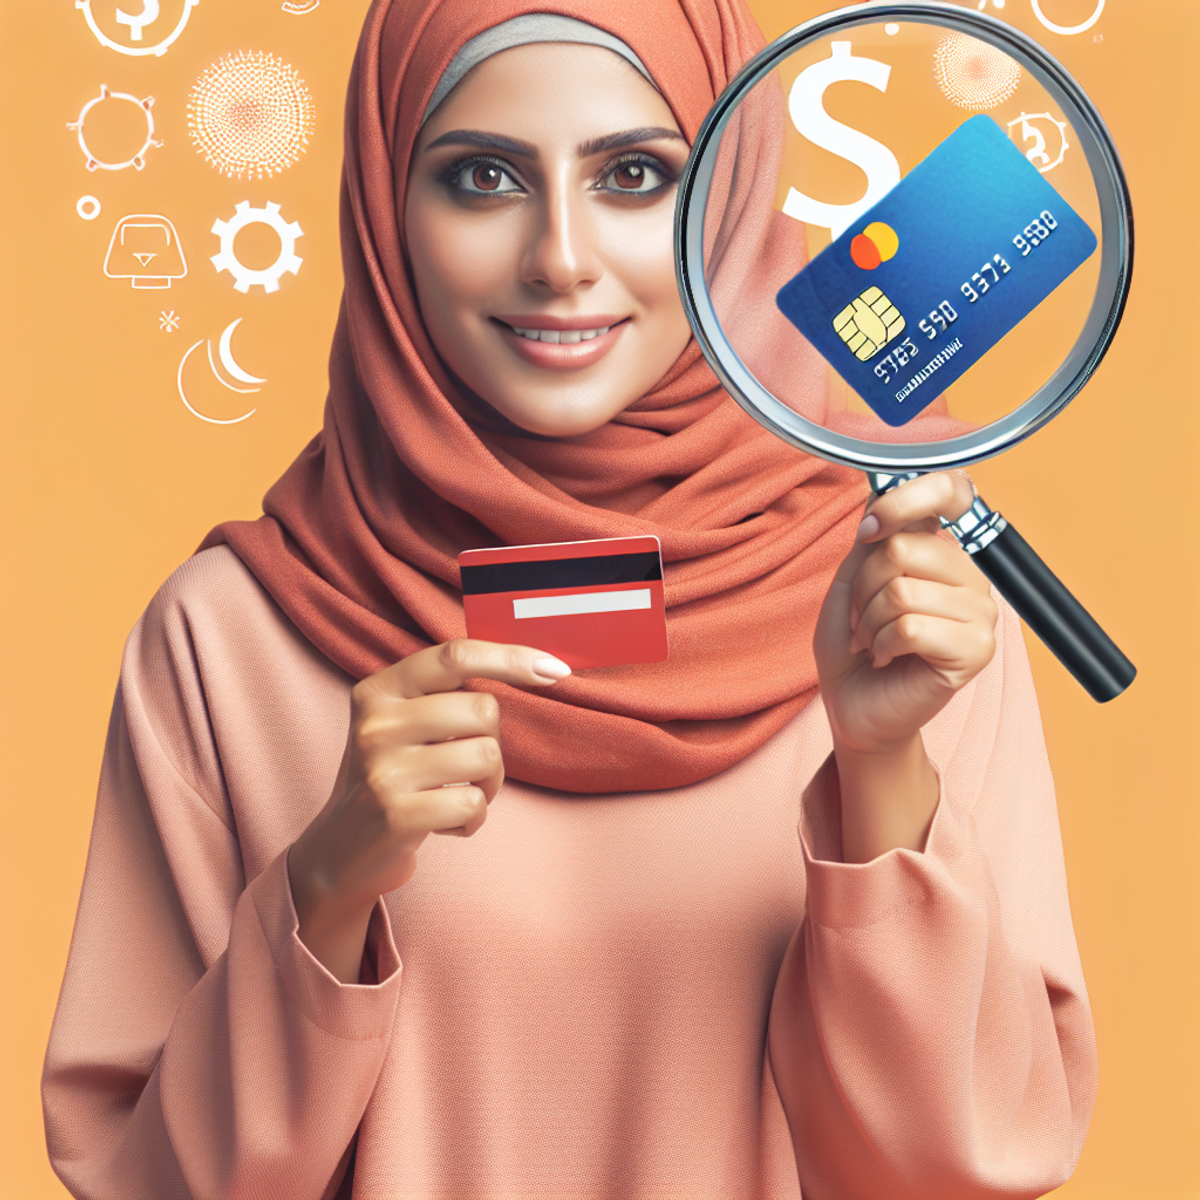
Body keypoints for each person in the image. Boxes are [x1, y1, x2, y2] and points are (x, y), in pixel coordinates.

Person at [42, 1, 1097, 1198]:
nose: (559, 256)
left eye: (637, 175)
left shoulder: (905, 619)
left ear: (737, 195)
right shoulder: (227, 639)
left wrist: (882, 769)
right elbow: (143, 1183)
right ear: (387, 207)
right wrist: (326, 891)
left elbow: (954, 1171)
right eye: (482, 176)